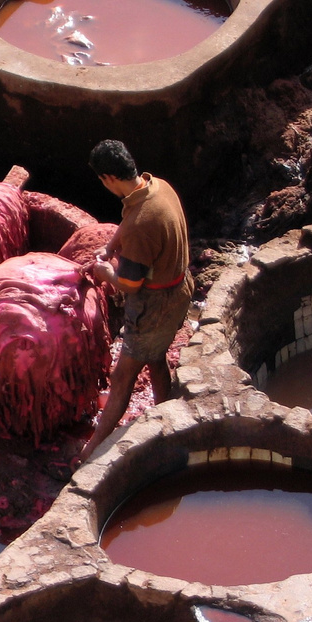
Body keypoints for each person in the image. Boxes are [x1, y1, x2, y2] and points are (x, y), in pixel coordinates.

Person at [79, 140, 193, 462]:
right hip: (180, 288)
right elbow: (129, 222)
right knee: (155, 356)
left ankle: (92, 452)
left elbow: (129, 284)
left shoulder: (142, 224)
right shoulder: (156, 186)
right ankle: (167, 413)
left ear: (108, 179)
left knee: (121, 378)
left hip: (156, 306)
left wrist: (105, 273)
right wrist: (112, 246)